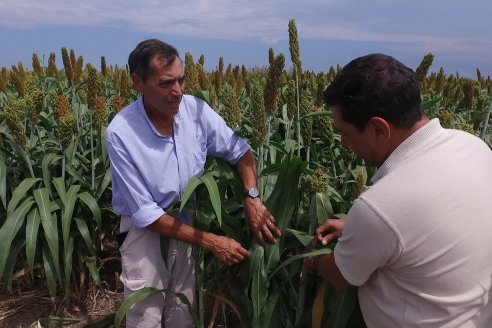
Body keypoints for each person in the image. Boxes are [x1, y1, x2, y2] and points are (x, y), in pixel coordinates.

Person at [304, 53, 492, 327]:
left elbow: (338, 275)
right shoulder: (474, 146)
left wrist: (310, 260)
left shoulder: (380, 207)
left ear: (378, 129)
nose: (343, 143)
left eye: (344, 132)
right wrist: (357, 229)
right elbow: (437, 222)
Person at [106, 39, 281, 327]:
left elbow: (241, 152)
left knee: (183, 314)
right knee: (145, 318)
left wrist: (252, 197)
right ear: (138, 82)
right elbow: (146, 214)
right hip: (145, 235)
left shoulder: (196, 111)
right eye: (166, 84)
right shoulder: (121, 133)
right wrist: (211, 241)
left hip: (188, 225)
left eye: (181, 80)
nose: (178, 92)